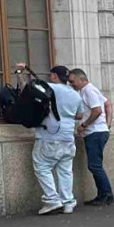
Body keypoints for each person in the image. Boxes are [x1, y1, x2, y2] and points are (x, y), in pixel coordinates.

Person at [31, 66, 82, 214]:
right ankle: (68, 202)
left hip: (49, 135)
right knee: (65, 171)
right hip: (68, 137)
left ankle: (52, 200)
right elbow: (79, 115)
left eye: (51, 75)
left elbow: (30, 91)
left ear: (54, 76)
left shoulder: (50, 88)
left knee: (42, 167)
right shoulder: (75, 94)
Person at [68, 67, 113, 206]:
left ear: (81, 79)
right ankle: (102, 195)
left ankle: (107, 195)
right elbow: (107, 104)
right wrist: (107, 124)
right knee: (95, 165)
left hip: (95, 132)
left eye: (72, 81)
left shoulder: (88, 90)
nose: (71, 84)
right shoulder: (88, 90)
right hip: (97, 131)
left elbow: (97, 110)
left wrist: (84, 125)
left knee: (94, 166)